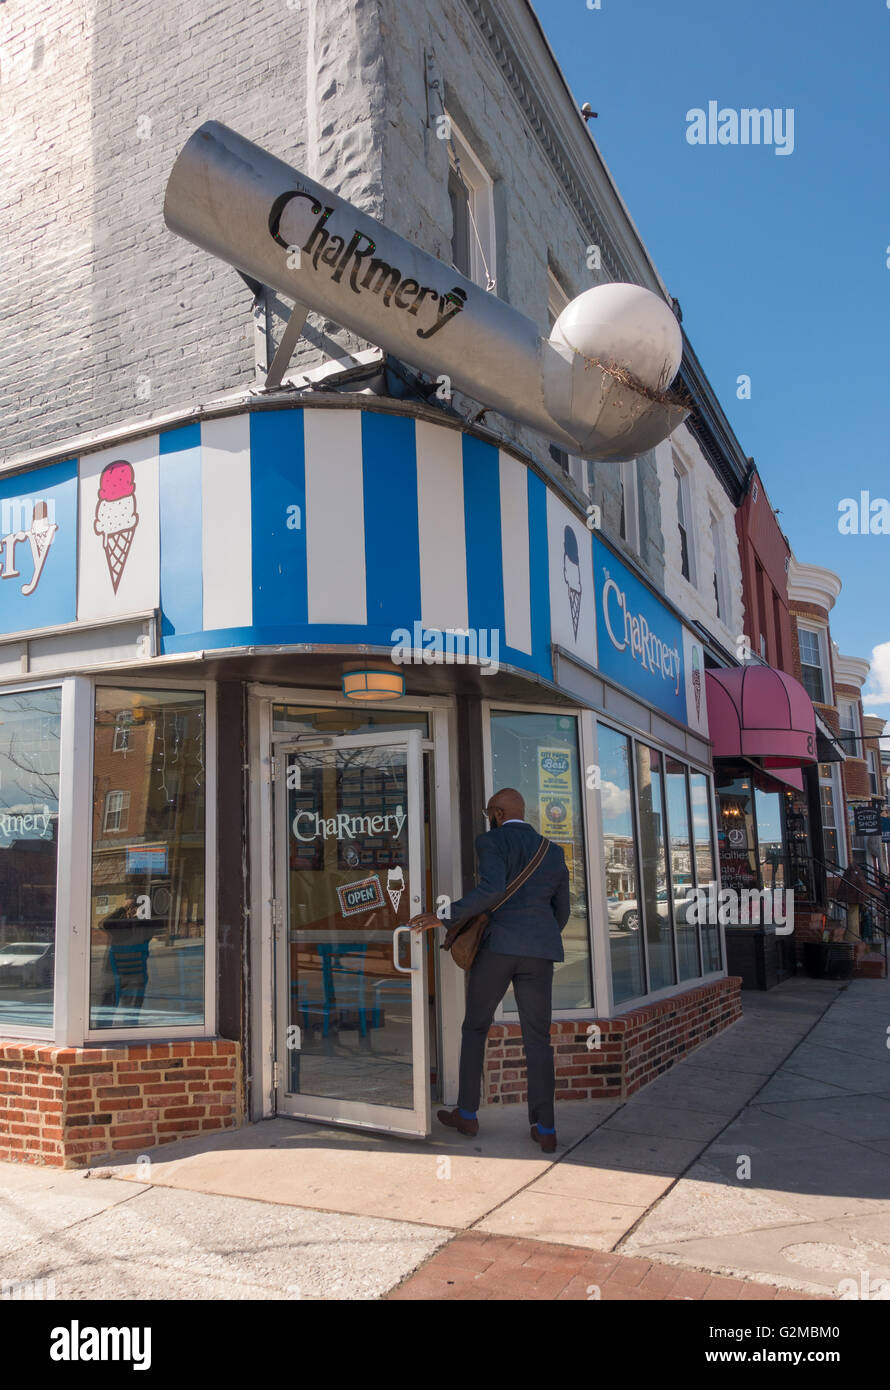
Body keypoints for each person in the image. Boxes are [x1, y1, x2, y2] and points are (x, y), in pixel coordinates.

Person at [409, 787, 570, 1153]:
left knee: (476, 1026)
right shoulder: (553, 851)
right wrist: (537, 938)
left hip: (497, 948)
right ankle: (545, 1128)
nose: (488, 818)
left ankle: (467, 1113)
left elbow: (491, 890)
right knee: (538, 1038)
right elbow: (562, 911)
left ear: (497, 813)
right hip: (540, 951)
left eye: (488, 813)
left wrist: (442, 916)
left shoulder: (491, 842)